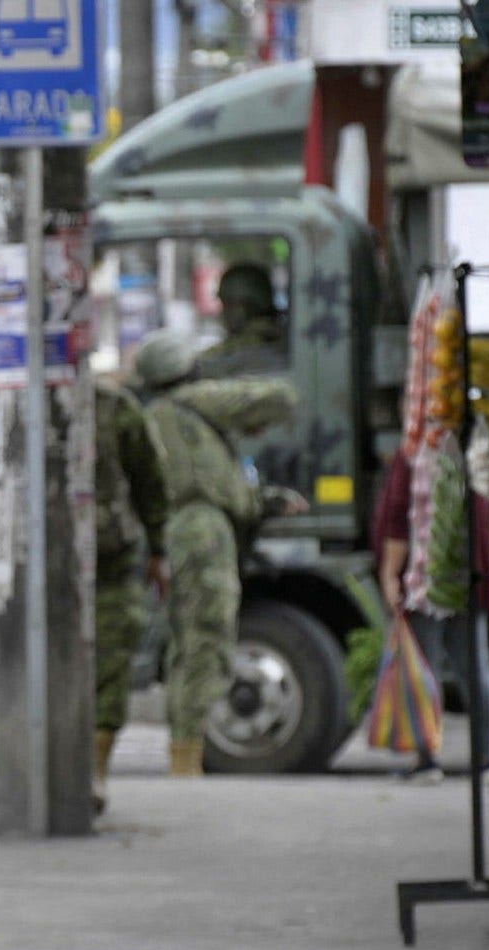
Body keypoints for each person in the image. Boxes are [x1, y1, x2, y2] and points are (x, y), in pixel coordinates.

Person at [137, 330, 301, 776]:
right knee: (205, 641)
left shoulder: (164, 416)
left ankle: (183, 756)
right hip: (203, 531)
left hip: (190, 528)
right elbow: (279, 397)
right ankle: (186, 761)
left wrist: (264, 501)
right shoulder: (190, 402)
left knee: (188, 645)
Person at [373, 335, 489, 786]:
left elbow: (396, 519)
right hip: (469, 576)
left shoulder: (414, 453)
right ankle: (488, 761)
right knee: (476, 670)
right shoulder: (476, 449)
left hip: (425, 578)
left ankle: (427, 761)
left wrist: (390, 573)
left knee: (422, 670)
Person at [91, 374, 169, 813]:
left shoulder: (116, 409)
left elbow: (149, 480)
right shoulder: (17, 400)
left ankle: (94, 773)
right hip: (39, 568)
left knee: (112, 661)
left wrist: (158, 548)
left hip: (110, 561)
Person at [193, 264, 286, 379]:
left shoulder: (253, 344)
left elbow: (207, 364)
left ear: (243, 307)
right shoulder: (277, 338)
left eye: (227, 304)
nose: (223, 313)